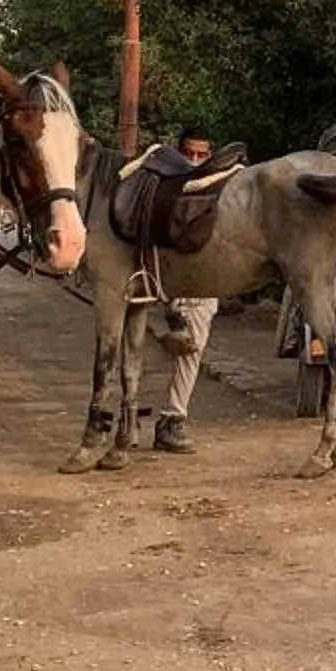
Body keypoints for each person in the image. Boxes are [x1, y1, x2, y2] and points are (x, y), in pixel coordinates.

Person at [146, 124, 222, 452]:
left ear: (210, 155)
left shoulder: (219, 188)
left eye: (201, 154)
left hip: (200, 285)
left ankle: (172, 419)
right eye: (188, 153)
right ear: (178, 152)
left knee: (191, 350)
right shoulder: (162, 187)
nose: (194, 160)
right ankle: (125, 417)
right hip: (160, 283)